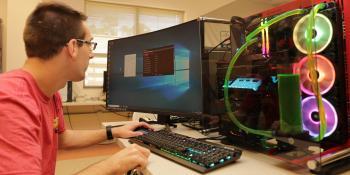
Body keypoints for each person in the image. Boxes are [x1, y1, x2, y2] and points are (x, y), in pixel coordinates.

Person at [0, 2, 152, 175]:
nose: (92, 54)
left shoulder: (51, 93)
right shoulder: (11, 100)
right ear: (73, 47)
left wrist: (114, 131)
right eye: (90, 44)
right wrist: (113, 165)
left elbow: (60, 138)